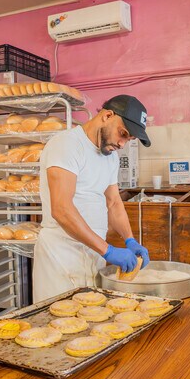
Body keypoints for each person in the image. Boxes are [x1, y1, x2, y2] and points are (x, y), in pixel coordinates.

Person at [32, 95, 151, 302]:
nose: (122, 144)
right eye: (123, 134)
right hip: (62, 254)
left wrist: (129, 239)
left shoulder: (110, 157)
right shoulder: (67, 145)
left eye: (129, 139)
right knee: (58, 323)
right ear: (107, 115)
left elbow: (113, 202)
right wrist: (108, 250)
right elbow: (61, 209)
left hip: (94, 252)